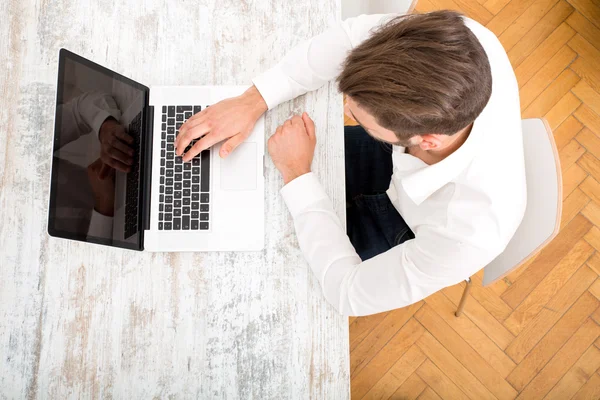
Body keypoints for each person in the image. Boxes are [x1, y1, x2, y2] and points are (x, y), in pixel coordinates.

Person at [175, 11, 526, 316]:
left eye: (359, 118)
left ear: (427, 140)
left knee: (274, 263)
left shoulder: (468, 234)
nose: (344, 111)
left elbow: (347, 292)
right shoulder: (459, 41)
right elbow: (351, 37)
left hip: (410, 228)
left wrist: (297, 174)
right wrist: (253, 100)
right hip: (394, 159)